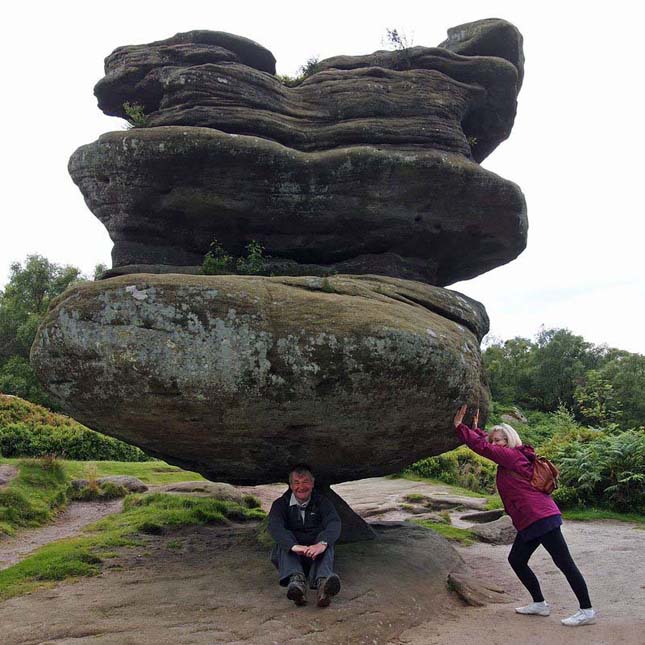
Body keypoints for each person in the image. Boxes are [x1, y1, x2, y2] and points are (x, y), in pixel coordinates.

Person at [453, 404, 597, 627]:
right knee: (517, 560)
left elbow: (484, 449)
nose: (495, 443)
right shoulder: (511, 457)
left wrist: (459, 428)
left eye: (499, 439)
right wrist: (477, 431)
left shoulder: (512, 456)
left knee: (564, 562)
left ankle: (586, 610)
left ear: (510, 440)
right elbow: (488, 446)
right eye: (493, 440)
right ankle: (539, 603)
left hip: (541, 517)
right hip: (529, 519)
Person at [267, 464, 342, 607]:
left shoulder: (323, 502)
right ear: (290, 485)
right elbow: (275, 526)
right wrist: (294, 547)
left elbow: (334, 523)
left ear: (313, 483)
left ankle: (323, 586)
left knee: (326, 541)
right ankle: (297, 584)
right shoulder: (280, 504)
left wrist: (321, 544)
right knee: (283, 542)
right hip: (293, 555)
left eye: (305, 482)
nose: (301, 487)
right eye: (296, 483)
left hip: (315, 554)